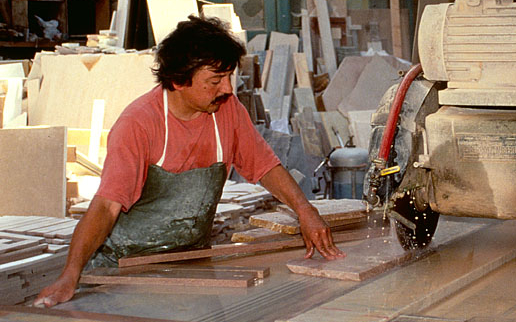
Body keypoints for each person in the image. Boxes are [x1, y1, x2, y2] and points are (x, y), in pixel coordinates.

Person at [35, 16, 344, 307]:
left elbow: (265, 166)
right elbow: (105, 207)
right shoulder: (139, 124)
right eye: (215, 81)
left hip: (190, 264)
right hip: (124, 269)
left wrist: (306, 210)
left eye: (228, 78)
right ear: (179, 80)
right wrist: (70, 275)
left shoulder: (228, 110)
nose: (227, 90)